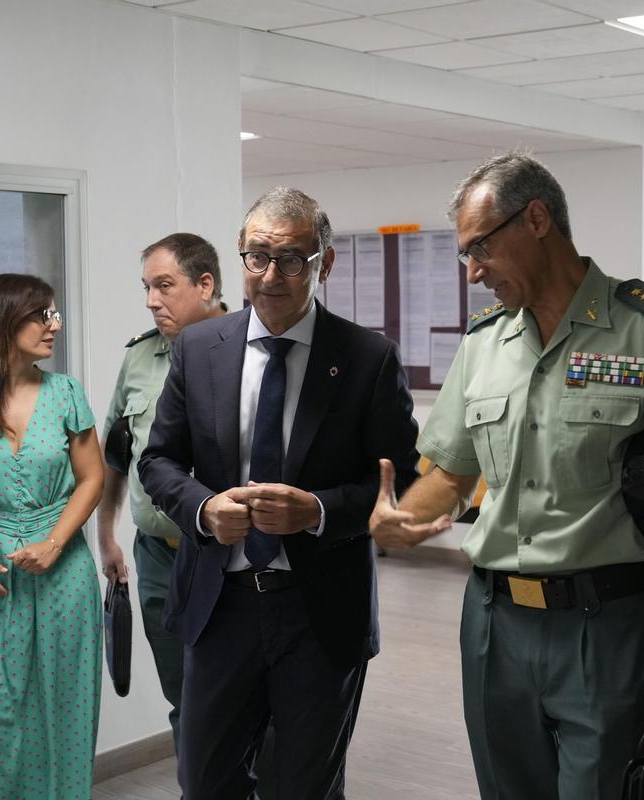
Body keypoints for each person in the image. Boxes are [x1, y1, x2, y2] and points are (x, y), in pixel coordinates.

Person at [370, 152, 644, 800]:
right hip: (494, 626)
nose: (471, 273)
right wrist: (401, 519)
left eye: (481, 249)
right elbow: (454, 476)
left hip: (606, 624)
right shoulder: (482, 345)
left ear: (537, 220)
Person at [139, 187, 420, 800]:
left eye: (292, 259)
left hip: (319, 613)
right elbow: (158, 460)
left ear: (325, 263)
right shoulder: (198, 349)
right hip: (221, 604)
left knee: (303, 787)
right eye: (257, 256)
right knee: (205, 782)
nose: (271, 275)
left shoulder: (368, 358)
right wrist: (204, 509)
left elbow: (402, 477)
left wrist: (318, 511)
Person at [0, 273, 118, 799]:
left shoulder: (66, 393)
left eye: (54, 314)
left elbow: (92, 477)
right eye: (41, 315)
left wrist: (55, 542)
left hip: (62, 571)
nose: (53, 325)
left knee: (62, 707)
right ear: (4, 321)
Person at [98, 232, 227, 751]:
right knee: (184, 695)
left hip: (228, 556)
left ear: (205, 284)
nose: (152, 300)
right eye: (147, 287)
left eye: (165, 286)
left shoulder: (251, 348)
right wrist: (106, 534)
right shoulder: (140, 358)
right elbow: (116, 453)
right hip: (156, 558)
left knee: (238, 694)